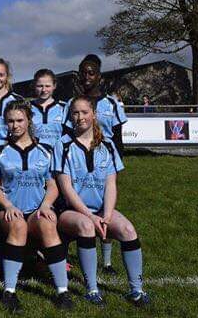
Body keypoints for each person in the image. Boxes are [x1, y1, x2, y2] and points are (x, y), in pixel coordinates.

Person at [54, 96, 150, 307]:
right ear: (70, 116)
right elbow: (66, 189)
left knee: (128, 230)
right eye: (75, 113)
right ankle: (92, 290)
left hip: (100, 210)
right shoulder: (63, 145)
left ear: (94, 114)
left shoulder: (107, 144)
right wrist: (91, 216)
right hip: (71, 211)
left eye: (84, 112)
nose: (80, 117)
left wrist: (106, 216)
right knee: (86, 226)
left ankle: (136, 291)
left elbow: (111, 184)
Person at [0, 100, 72, 312]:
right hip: (8, 209)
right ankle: (9, 292)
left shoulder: (45, 149)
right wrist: (7, 205)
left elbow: (52, 185)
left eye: (19, 120)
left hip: (37, 208)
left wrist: (45, 205)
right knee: (18, 226)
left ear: (29, 121)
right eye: (10, 121)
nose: (15, 125)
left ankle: (63, 292)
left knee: (47, 224)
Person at [62, 54, 127, 274]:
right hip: (79, 162)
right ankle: (67, 255)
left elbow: (118, 137)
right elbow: (66, 134)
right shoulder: (72, 104)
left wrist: (115, 166)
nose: (87, 76)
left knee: (106, 209)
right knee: (76, 208)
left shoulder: (112, 103)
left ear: (99, 75)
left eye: (91, 72)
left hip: (104, 163)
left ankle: (106, 262)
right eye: (83, 73)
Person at [30, 69, 66, 147]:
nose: (44, 90)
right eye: (40, 86)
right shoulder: (26, 108)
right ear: (34, 86)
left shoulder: (64, 108)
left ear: (54, 86)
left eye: (47, 86)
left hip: (57, 152)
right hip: (34, 152)